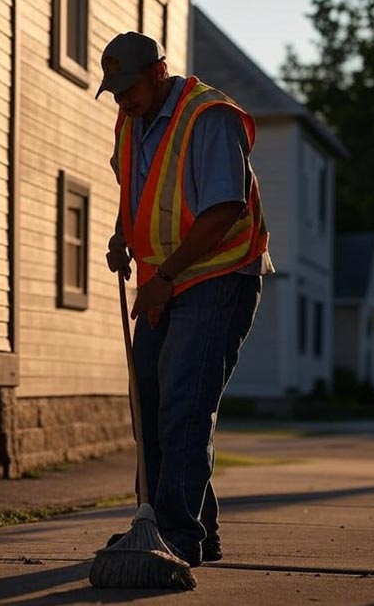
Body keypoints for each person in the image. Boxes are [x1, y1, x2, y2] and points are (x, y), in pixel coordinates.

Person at [96, 31, 274, 567]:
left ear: (158, 72)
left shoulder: (210, 117)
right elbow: (142, 192)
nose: (123, 98)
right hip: (164, 281)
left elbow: (223, 210)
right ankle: (171, 526)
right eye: (115, 89)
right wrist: (122, 235)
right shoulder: (131, 121)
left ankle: (174, 536)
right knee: (149, 406)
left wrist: (166, 276)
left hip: (218, 277)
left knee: (184, 405)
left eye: (130, 86)